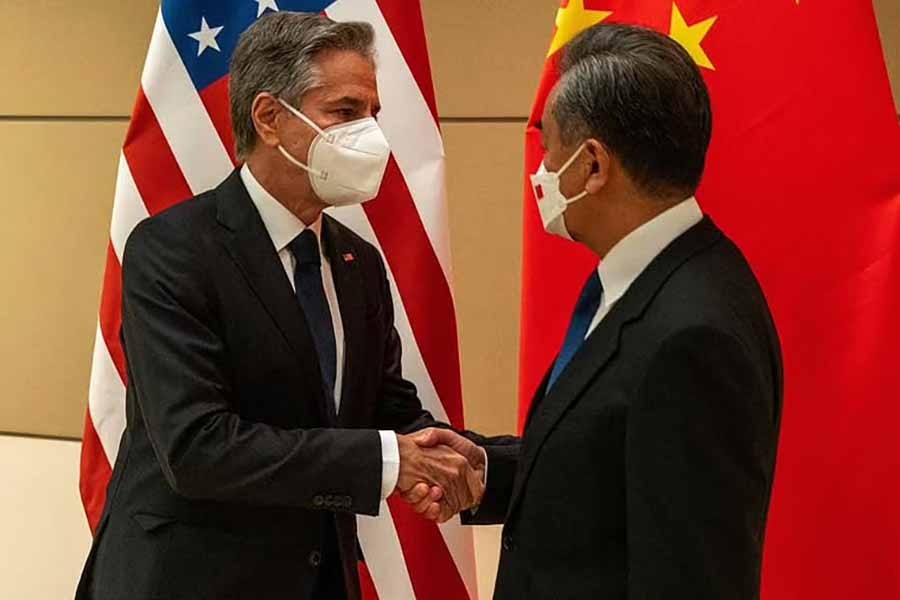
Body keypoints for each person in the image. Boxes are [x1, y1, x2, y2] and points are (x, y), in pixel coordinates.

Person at [75, 12, 482, 600]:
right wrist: (389, 461)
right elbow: (197, 447)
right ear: (269, 118)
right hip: (187, 580)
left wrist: (448, 455)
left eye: (373, 114)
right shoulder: (173, 249)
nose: (371, 135)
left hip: (314, 578)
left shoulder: (358, 263)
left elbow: (383, 408)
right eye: (345, 112)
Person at [406, 23, 784, 599]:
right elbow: (613, 472)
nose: (541, 169)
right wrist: (491, 468)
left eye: (548, 145)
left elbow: (691, 578)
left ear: (592, 166)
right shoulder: (646, 280)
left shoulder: (695, 333)